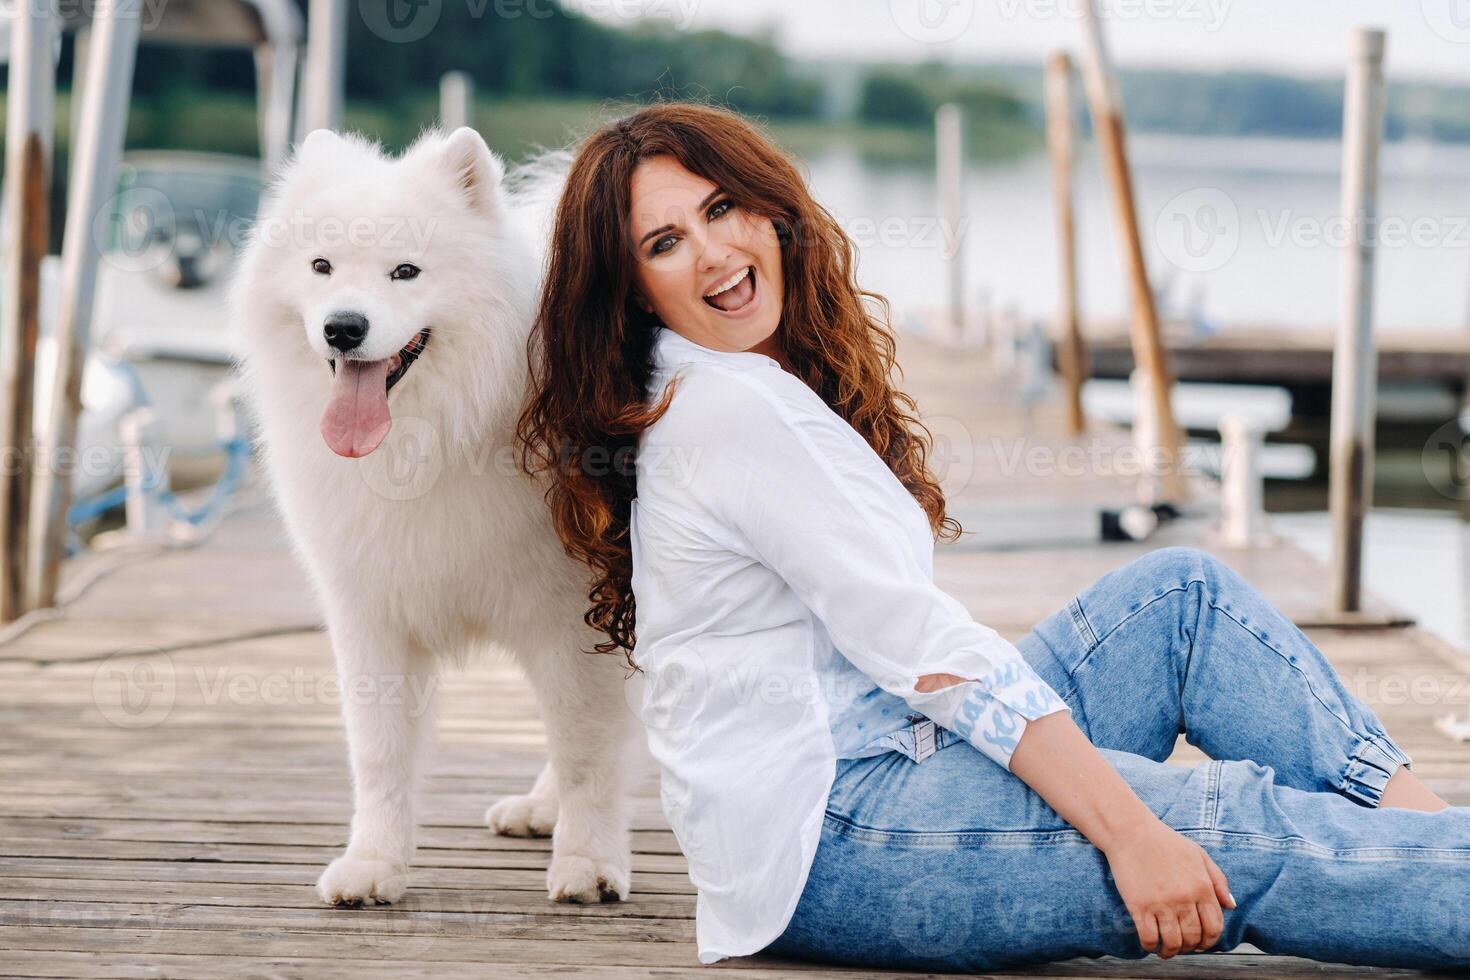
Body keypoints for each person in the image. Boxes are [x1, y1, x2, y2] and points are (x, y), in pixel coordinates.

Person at [516, 101, 1469, 972]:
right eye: (667, 242)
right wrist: (1133, 834)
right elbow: (929, 654)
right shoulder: (726, 412)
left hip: (890, 753)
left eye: (724, 207)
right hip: (834, 835)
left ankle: (1432, 848)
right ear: (635, 286)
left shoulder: (737, 382)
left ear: (770, 209)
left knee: (1184, 599)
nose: (716, 251)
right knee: (1234, 826)